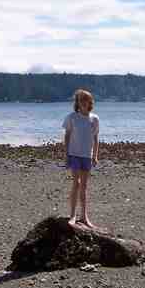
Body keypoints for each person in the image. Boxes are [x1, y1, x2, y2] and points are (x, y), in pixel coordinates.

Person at [62, 89, 100, 229]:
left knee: (84, 186)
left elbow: (96, 139)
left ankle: (84, 217)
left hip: (87, 156)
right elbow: (67, 136)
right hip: (74, 154)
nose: (84, 102)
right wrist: (66, 155)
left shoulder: (94, 119)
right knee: (76, 183)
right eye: (81, 100)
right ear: (77, 102)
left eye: (86, 100)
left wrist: (95, 156)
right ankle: (73, 215)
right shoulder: (72, 117)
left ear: (90, 102)